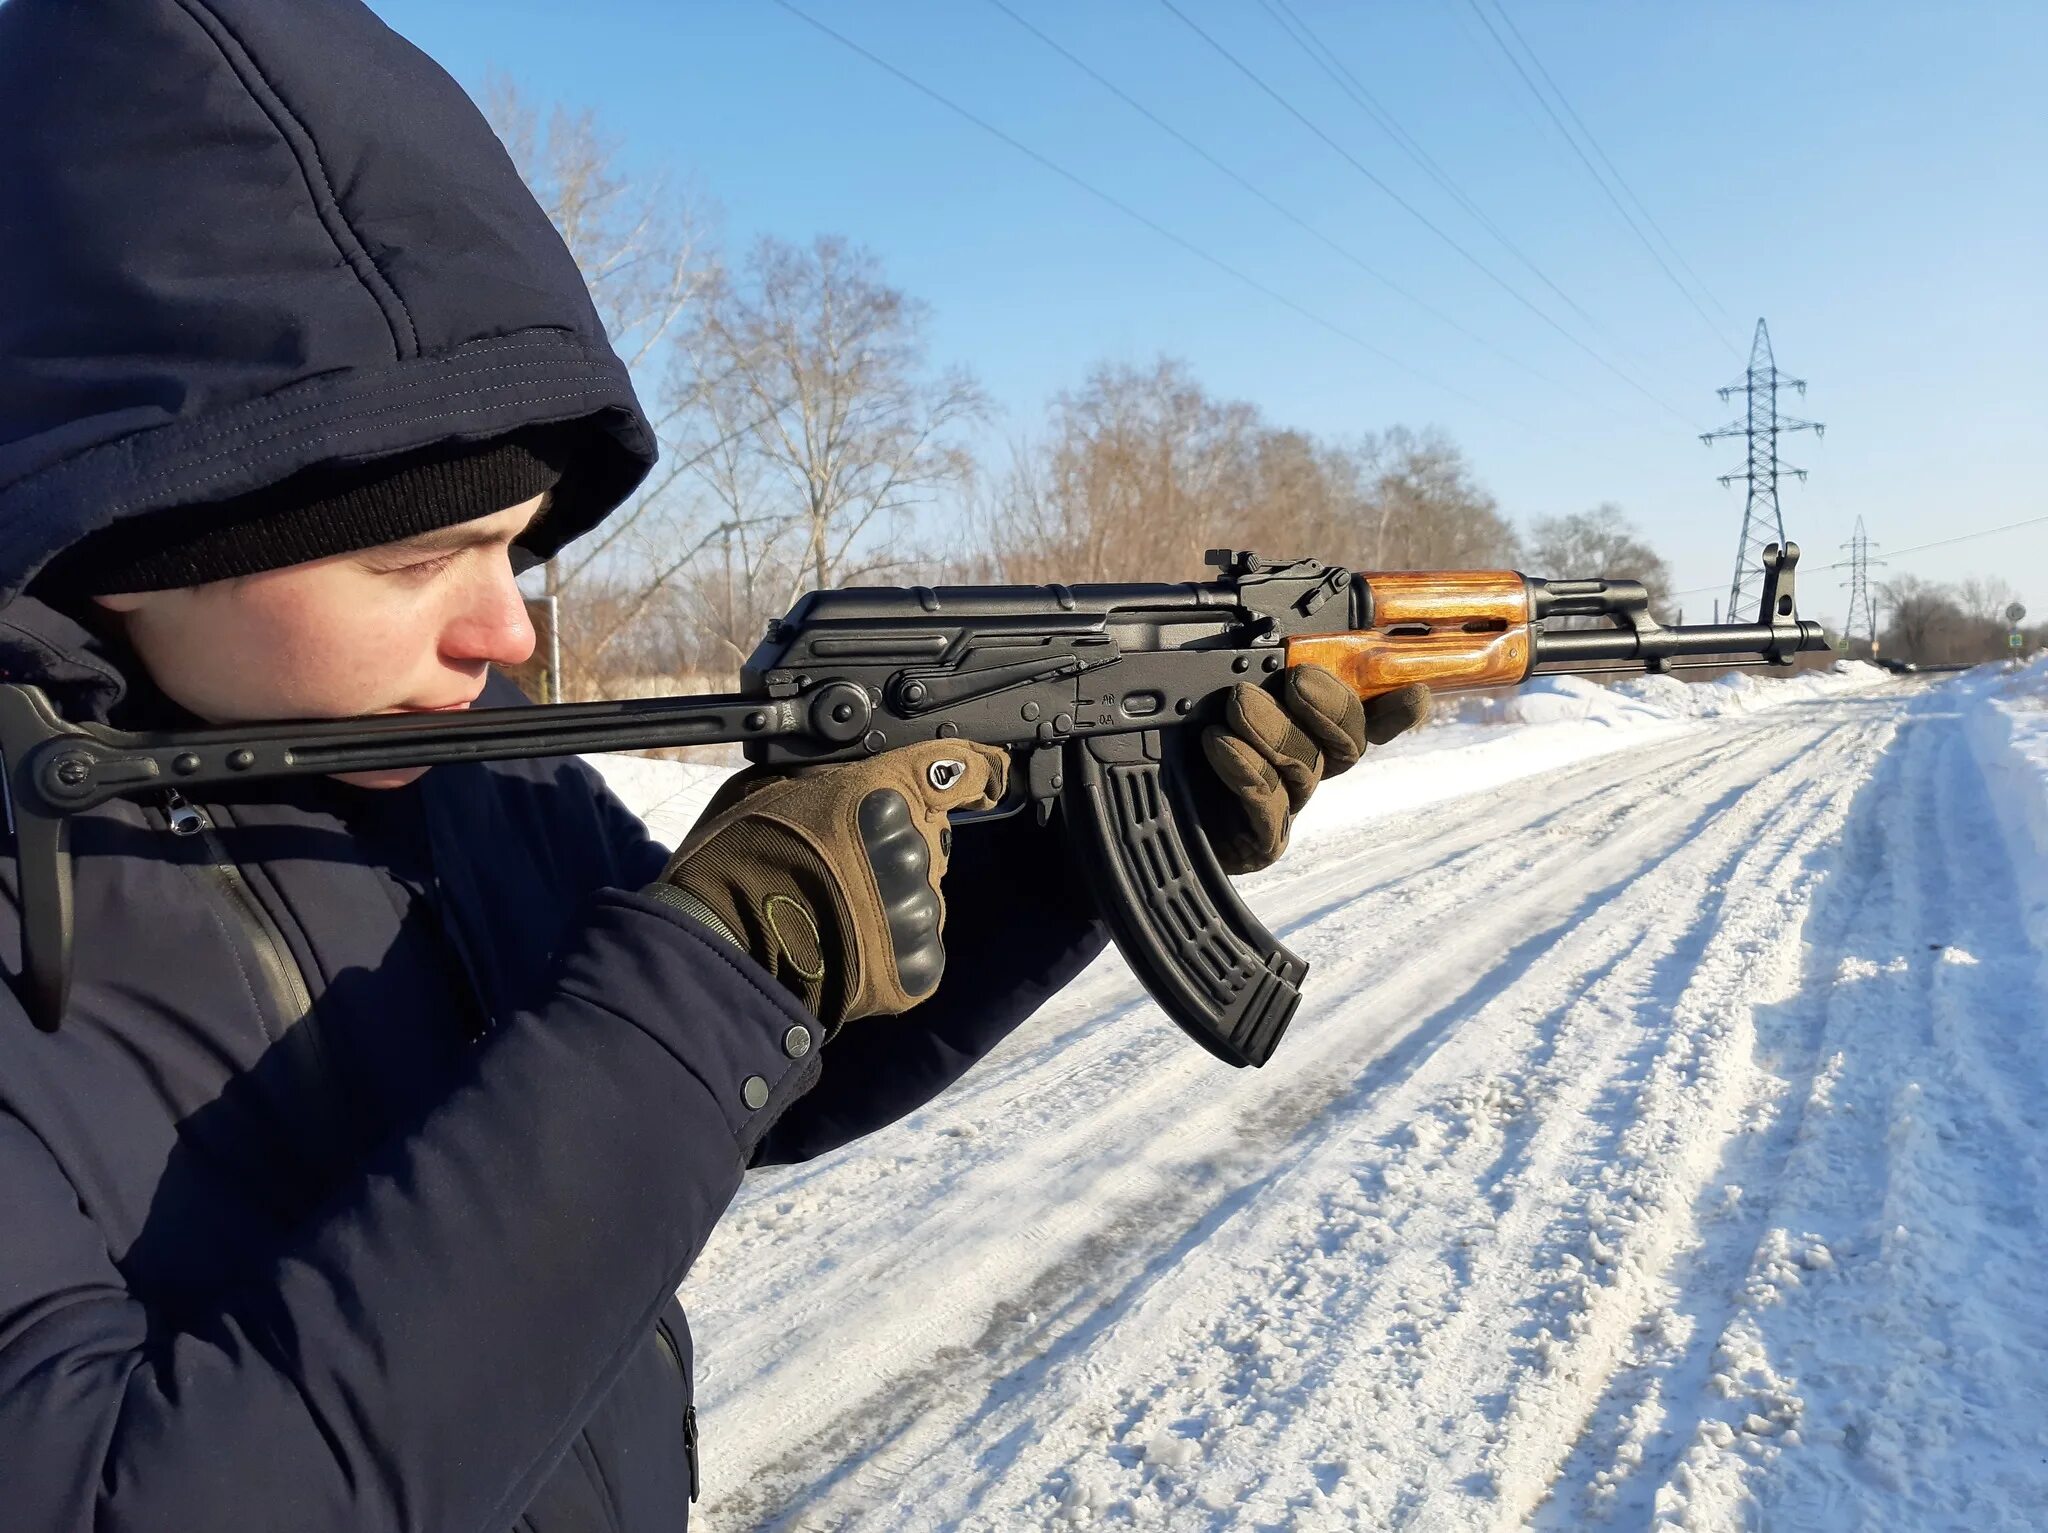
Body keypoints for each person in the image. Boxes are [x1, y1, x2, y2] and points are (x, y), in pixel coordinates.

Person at [0, 1, 1429, 1528]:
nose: (508, 633)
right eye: (421, 562)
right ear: (126, 538)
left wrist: (1081, 838)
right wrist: (704, 972)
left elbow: (747, 1074)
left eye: (519, 550)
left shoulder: (465, 772)